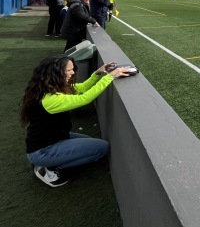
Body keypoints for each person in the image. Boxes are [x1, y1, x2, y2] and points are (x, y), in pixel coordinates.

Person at [20, 55, 131, 187]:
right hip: (43, 150)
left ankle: (48, 162)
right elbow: (84, 99)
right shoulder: (50, 99)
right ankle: (49, 167)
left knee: (91, 144)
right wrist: (110, 76)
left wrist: (97, 73)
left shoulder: (52, 87)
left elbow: (82, 88)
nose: (72, 73)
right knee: (101, 148)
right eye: (68, 70)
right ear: (55, 73)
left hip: (55, 138)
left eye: (72, 69)